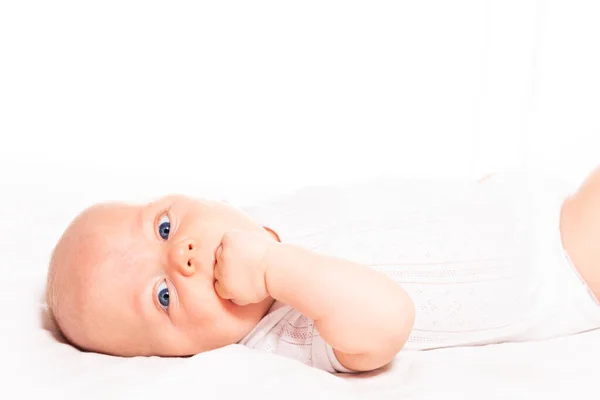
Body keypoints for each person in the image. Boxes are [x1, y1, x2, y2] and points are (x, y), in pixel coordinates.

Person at [45, 166, 600, 373]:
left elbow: (374, 205)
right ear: (182, 357)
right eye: (163, 295)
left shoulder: (251, 217)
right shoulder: (286, 332)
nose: (181, 255)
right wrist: (271, 268)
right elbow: (389, 319)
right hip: (558, 263)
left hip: (519, 202)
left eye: (164, 229)